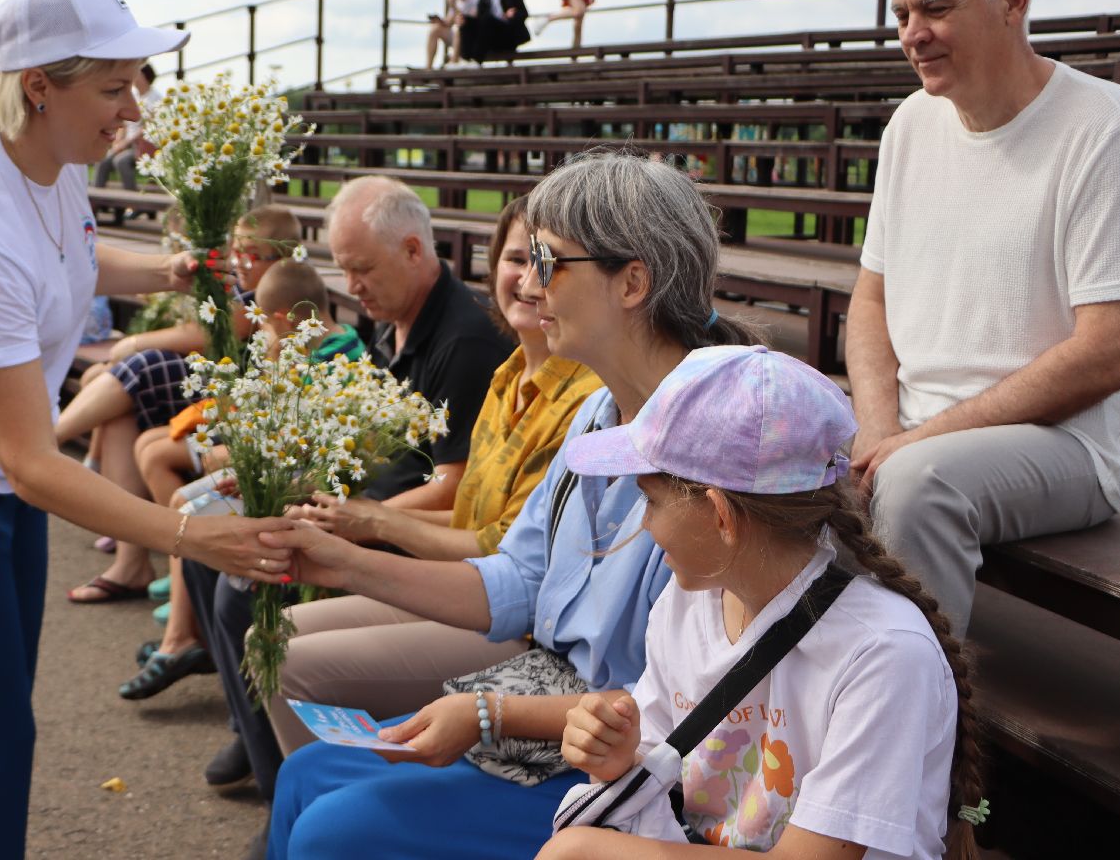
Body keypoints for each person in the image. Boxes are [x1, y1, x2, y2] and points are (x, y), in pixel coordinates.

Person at [0, 0, 295, 860]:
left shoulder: (39, 154)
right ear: (38, 86)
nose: (135, 109)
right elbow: (32, 463)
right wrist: (189, 536)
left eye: (136, 84)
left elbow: (73, 254)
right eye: (114, 88)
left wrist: (166, 271)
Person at [259, 152, 758, 860]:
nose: (527, 283)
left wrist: (492, 713)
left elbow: (674, 700)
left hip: (631, 768)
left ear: (633, 282)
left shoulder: (720, 443)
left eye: (550, 263)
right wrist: (344, 562)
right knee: (308, 774)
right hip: (560, 713)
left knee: (332, 829)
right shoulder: (595, 411)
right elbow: (518, 580)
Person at [848, 0, 1120, 638]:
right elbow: (871, 300)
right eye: (902, 14)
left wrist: (916, 443)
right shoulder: (909, 125)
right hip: (918, 428)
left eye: (936, 8)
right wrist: (877, 429)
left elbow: (1117, 349)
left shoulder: (1105, 129)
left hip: (1070, 444)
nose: (911, 33)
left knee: (916, 484)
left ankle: (922, 732)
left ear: (1012, 0)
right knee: (760, 437)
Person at [542, 345, 977, 860]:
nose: (645, 525)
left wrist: (585, 849)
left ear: (719, 514)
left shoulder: (883, 654)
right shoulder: (686, 606)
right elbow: (663, 770)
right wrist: (617, 756)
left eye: (652, 500)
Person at [189, 176, 514, 803]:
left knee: (242, 588)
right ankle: (256, 733)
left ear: (415, 251)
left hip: (420, 543)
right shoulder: (399, 320)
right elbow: (375, 442)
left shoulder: (464, 339)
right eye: (344, 269)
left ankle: (277, 769)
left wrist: (361, 519)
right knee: (211, 546)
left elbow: (451, 484)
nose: (352, 286)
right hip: (371, 511)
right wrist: (297, 481)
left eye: (362, 269)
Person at [265, 196, 602, 754]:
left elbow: (508, 560)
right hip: (477, 588)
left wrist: (373, 525)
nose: (527, 279)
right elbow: (478, 516)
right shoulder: (509, 372)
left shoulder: (582, 397)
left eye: (548, 263)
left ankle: (316, 803)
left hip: (521, 627)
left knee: (288, 659)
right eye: (516, 258)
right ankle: (298, 794)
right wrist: (353, 522)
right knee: (273, 634)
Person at [120, 259, 371, 702]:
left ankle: (181, 640)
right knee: (184, 500)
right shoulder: (342, 344)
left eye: (266, 330)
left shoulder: (326, 361)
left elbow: (300, 444)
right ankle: (185, 632)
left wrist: (237, 454)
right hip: (284, 470)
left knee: (190, 512)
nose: (263, 339)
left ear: (280, 320)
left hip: (299, 484)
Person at [58, 204, 301, 603]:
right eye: (236, 250)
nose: (240, 260)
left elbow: (221, 330)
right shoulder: (242, 283)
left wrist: (136, 341)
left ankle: (52, 442)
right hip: (216, 382)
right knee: (121, 400)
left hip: (233, 393)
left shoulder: (272, 293)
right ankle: (129, 561)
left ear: (282, 257)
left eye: (252, 254)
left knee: (140, 365)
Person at [94, 63, 158, 198]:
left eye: (136, 73)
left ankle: (134, 203)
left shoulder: (155, 98)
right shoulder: (134, 96)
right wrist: (118, 141)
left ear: (145, 76)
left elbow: (147, 128)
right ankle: (98, 201)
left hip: (143, 147)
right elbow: (125, 124)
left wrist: (125, 143)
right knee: (102, 159)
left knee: (121, 161)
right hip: (128, 144)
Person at [462, 0, 530, 63]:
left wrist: (512, 15)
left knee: (487, 20)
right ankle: (466, 59)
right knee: (466, 21)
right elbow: (480, 21)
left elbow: (524, 13)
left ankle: (476, 60)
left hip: (509, 34)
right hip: (492, 36)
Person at [425, 0, 480, 68]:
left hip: (470, 35)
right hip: (456, 35)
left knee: (459, 28)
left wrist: (454, 7)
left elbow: (468, 21)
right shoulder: (455, 0)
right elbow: (449, 22)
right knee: (435, 29)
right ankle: (428, 68)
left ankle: (453, 63)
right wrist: (440, 22)